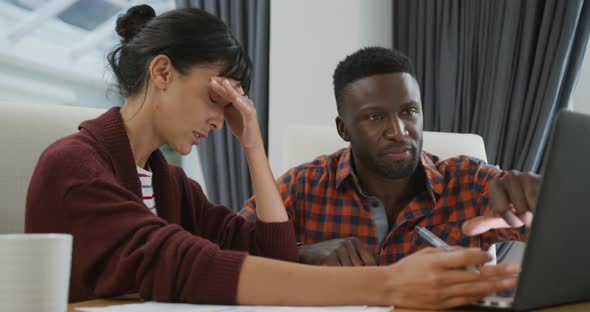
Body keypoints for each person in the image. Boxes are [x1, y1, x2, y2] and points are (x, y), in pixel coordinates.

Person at [26, 6, 519, 310]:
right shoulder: (74, 165)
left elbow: (268, 251)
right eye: (215, 98)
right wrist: (390, 283)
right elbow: (185, 264)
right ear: (162, 72)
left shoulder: (170, 184)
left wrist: (253, 144)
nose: (221, 119)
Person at [240, 47, 541, 266]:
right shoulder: (302, 187)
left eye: (409, 112)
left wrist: (548, 195)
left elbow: (569, 232)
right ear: (344, 129)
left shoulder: (472, 183)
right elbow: (226, 246)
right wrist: (301, 253)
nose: (398, 131)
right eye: (375, 117)